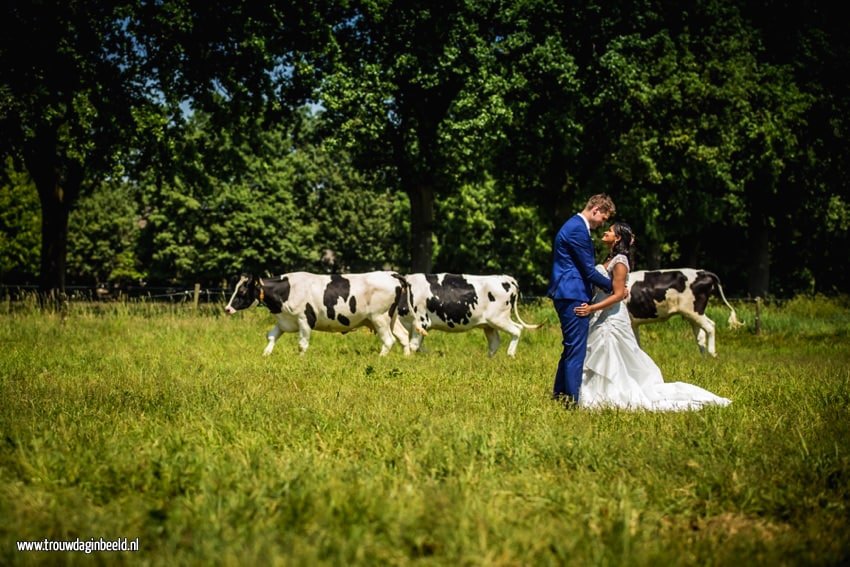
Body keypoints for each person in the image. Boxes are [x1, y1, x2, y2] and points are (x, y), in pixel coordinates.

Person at [573, 222, 732, 410]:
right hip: (601, 316)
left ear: (617, 238)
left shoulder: (620, 262)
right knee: (603, 353)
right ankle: (593, 392)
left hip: (611, 316)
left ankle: (610, 395)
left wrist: (592, 308)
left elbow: (617, 296)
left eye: (610, 230)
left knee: (611, 353)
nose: (605, 231)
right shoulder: (610, 258)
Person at [548, 194, 616, 406]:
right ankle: (572, 401)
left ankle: (561, 395)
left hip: (569, 292)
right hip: (573, 293)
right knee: (576, 349)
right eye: (603, 218)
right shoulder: (577, 228)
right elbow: (588, 270)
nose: (602, 224)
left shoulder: (575, 225)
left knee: (571, 347)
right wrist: (614, 288)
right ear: (595, 209)